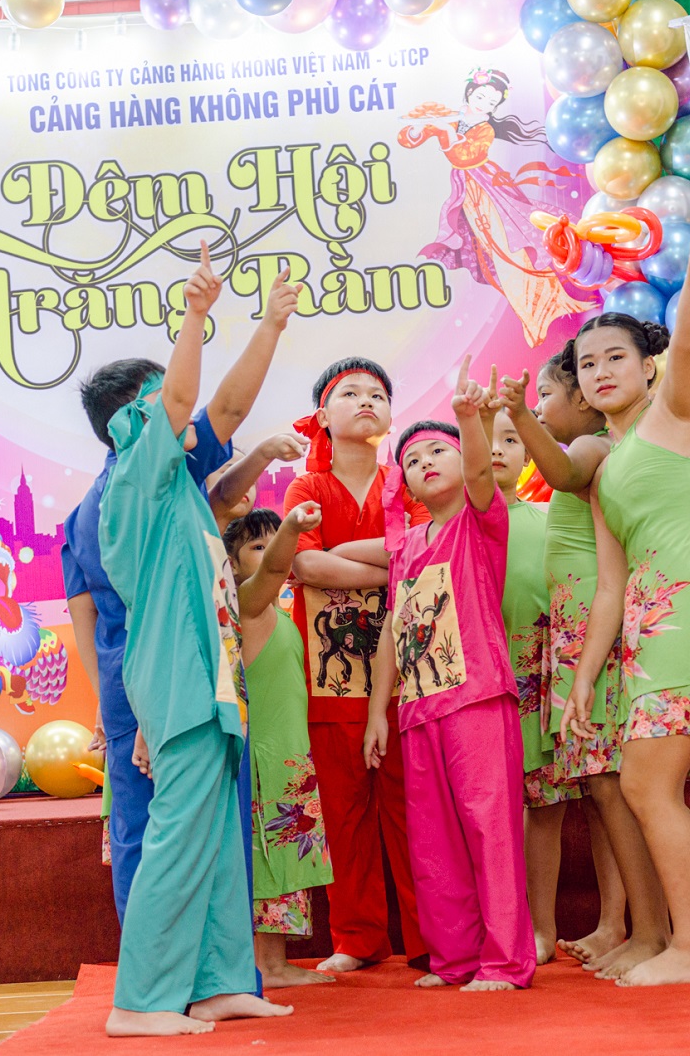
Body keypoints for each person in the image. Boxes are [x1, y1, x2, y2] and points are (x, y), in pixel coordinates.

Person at [61, 253, 301, 927]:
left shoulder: (167, 474)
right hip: (158, 685)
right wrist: (124, 710)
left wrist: (271, 326)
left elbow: (228, 414)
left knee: (208, 826)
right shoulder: (120, 495)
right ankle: (155, 968)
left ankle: (208, 966)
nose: (182, 402)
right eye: (165, 394)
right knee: (153, 835)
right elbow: (88, 620)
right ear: (132, 420)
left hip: (188, 677)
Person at [573, 182, 690, 986]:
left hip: (689, 622)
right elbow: (608, 588)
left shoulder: (673, 416)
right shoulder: (606, 469)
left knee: (649, 786)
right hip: (648, 636)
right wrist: (586, 677)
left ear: (647, 368)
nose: (600, 371)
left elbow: (688, 345)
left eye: (616, 356)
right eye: (587, 364)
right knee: (659, 789)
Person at [493, 352, 669, 977]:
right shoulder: (601, 447)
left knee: (608, 785)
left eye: (545, 396)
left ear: (582, 401)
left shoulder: (590, 447)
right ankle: (623, 924)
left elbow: (561, 471)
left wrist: (517, 415)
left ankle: (645, 928)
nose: (539, 408)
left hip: (591, 633)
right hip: (575, 633)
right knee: (602, 786)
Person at [364, 360, 534, 992]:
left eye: (438, 451)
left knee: (491, 832)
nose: (425, 463)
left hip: (477, 697)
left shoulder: (479, 518)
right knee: (432, 842)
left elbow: (483, 476)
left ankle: (505, 961)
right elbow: (393, 628)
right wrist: (378, 712)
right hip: (418, 711)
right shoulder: (405, 546)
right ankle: (454, 959)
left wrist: (470, 419)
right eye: (412, 460)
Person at [283, 358, 428, 972]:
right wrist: (388, 567)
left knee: (413, 810)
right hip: (329, 676)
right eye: (350, 393)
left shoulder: (409, 480)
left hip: (411, 673)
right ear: (323, 415)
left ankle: (429, 938)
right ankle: (358, 938)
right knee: (343, 813)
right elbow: (306, 566)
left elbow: (426, 554)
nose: (366, 400)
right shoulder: (306, 490)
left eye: (377, 393)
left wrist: (344, 554)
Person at [225, 505, 337, 990]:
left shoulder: (276, 609)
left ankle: (273, 962)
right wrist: (291, 528)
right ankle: (269, 965)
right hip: (264, 758)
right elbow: (274, 570)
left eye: (275, 541)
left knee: (285, 858)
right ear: (232, 564)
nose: (273, 552)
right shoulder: (247, 604)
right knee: (267, 858)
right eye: (258, 545)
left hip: (288, 755)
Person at [399, 68, 587, 347]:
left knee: (512, 247)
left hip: (488, 189)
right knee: (494, 254)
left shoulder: (484, 128)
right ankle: (532, 315)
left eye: (491, 101)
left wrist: (445, 132)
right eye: (481, 96)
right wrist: (418, 128)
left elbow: (465, 156)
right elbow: (408, 138)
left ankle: (541, 310)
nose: (484, 103)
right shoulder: (451, 117)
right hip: (468, 192)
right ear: (470, 93)